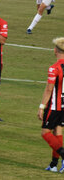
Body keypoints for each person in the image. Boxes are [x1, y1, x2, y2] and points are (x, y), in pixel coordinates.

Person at [38, 37, 64, 173]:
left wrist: (42, 106)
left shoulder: (54, 68)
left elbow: (49, 89)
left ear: (56, 51)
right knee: (58, 131)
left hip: (54, 106)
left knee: (45, 132)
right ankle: (54, 165)